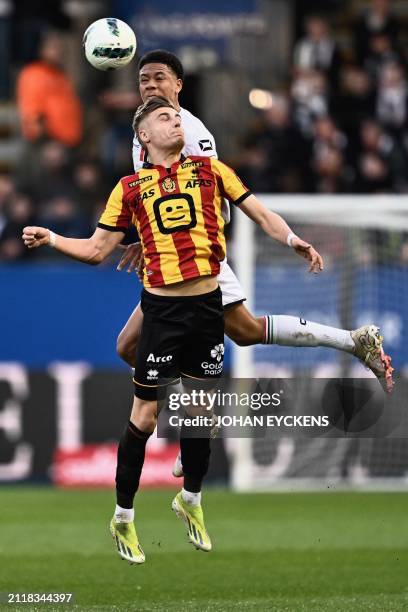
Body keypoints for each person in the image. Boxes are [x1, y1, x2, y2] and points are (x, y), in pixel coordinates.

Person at [22, 96, 323, 563]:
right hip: (161, 313)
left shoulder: (211, 170)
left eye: (176, 115)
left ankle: (192, 501)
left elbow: (260, 213)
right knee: (144, 417)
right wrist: (53, 237)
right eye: (164, 117)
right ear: (144, 136)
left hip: (208, 306)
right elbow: (98, 250)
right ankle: (123, 517)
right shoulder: (129, 188)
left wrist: (292, 239)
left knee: (200, 417)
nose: (175, 120)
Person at [116, 50, 393, 402]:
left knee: (130, 346)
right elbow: (157, 195)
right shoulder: (144, 128)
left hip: (193, 254)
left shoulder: (188, 132)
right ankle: (353, 341)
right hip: (170, 254)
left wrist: (289, 237)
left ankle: (193, 406)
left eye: (160, 77)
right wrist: (146, 236)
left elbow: (210, 194)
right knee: (244, 331)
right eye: (144, 79)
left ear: (179, 85)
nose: (151, 85)